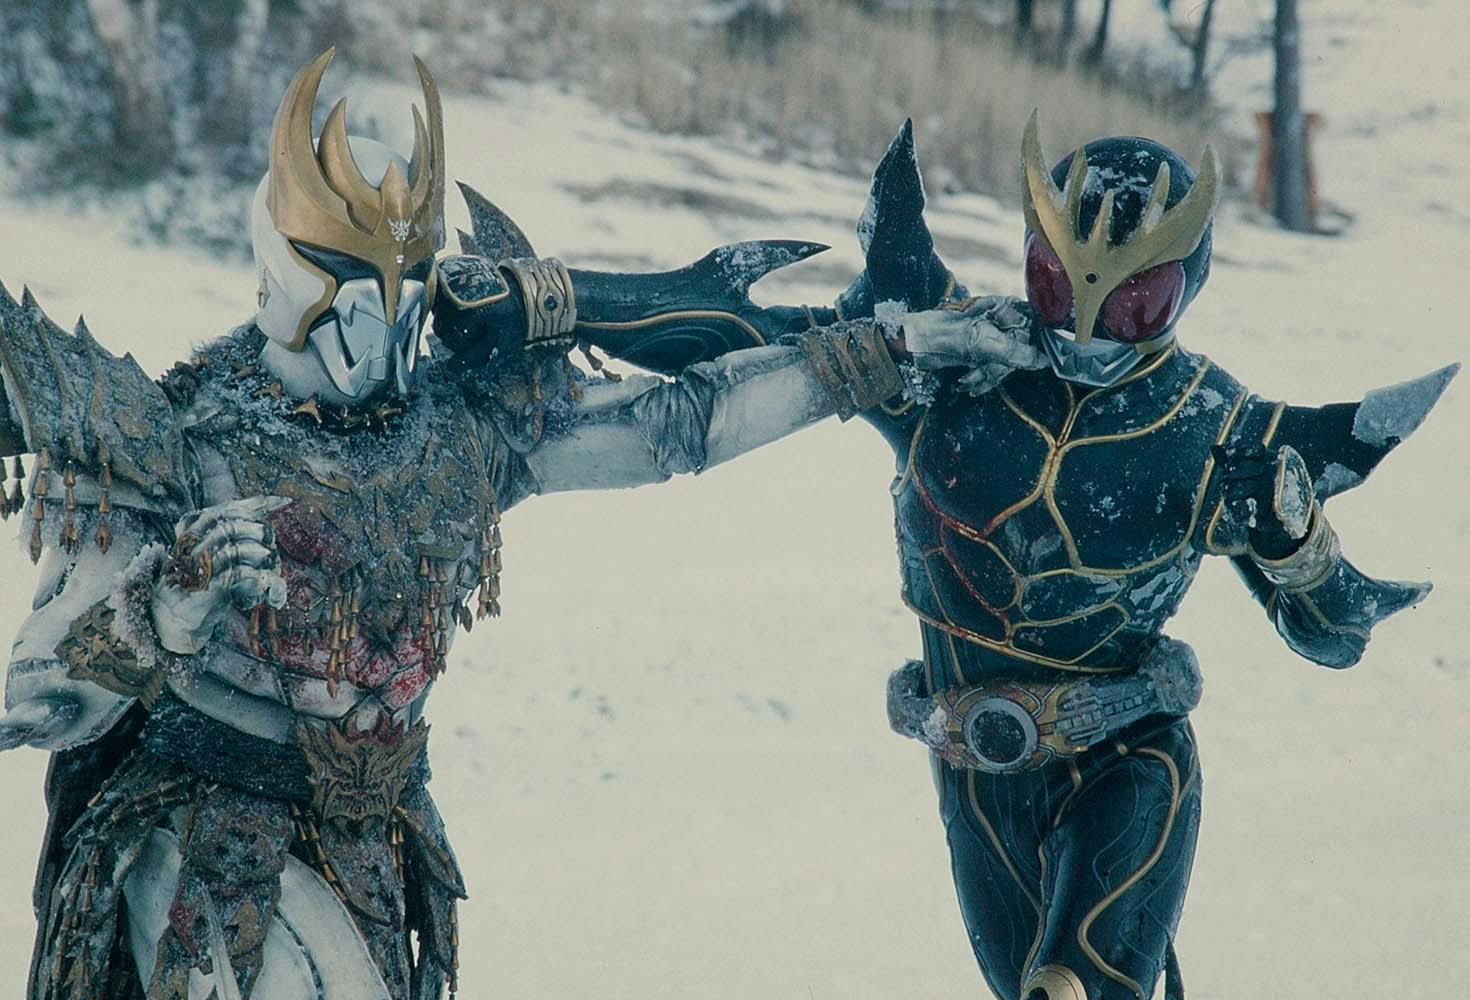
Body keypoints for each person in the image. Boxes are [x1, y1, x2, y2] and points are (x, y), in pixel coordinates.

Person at [0, 50, 938, 999]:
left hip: (377, 853)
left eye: (409, 285)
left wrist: (865, 358)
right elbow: (34, 698)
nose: (386, 324)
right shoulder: (174, 439)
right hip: (201, 847)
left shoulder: (457, 431)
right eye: (356, 287)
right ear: (290, 269)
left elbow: (672, 429)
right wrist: (161, 610)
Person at [583, 114, 1457, 1000]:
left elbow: (1334, 633)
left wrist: (1298, 542)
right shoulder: (952, 365)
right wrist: (557, 305)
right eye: (1055, 286)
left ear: (1183, 287)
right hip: (972, 772)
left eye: (1134, 303)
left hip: (1125, 762)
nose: (1087, 329)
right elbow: (746, 346)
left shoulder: (1209, 428)